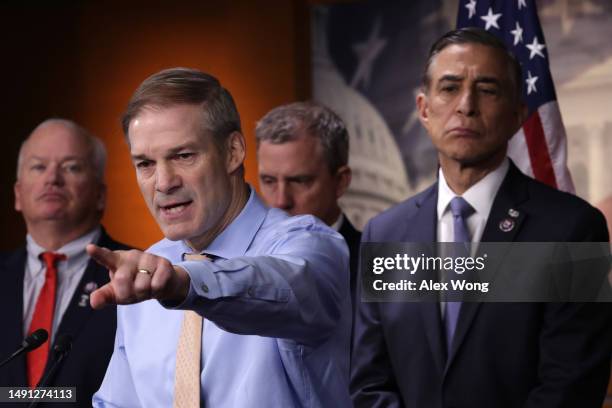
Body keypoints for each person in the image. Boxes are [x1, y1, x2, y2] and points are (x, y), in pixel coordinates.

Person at [350, 27, 611, 408]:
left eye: (487, 90)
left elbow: (573, 384)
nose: (466, 105)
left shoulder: (576, 229)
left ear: (517, 114)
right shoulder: (384, 233)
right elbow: (369, 384)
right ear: (424, 108)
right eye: (450, 88)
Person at [91, 68, 351, 407]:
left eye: (183, 156)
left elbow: (284, 285)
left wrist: (187, 286)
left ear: (233, 152)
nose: (163, 182)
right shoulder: (147, 270)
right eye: (145, 164)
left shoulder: (311, 244)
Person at [0, 119, 130, 406]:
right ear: (18, 194)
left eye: (71, 167)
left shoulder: (136, 276)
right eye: (38, 167)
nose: (52, 179)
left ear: (100, 195)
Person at [256, 101, 360, 305]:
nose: (280, 201)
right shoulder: (237, 264)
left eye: (299, 181)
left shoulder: (389, 269)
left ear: (340, 181)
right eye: (268, 181)